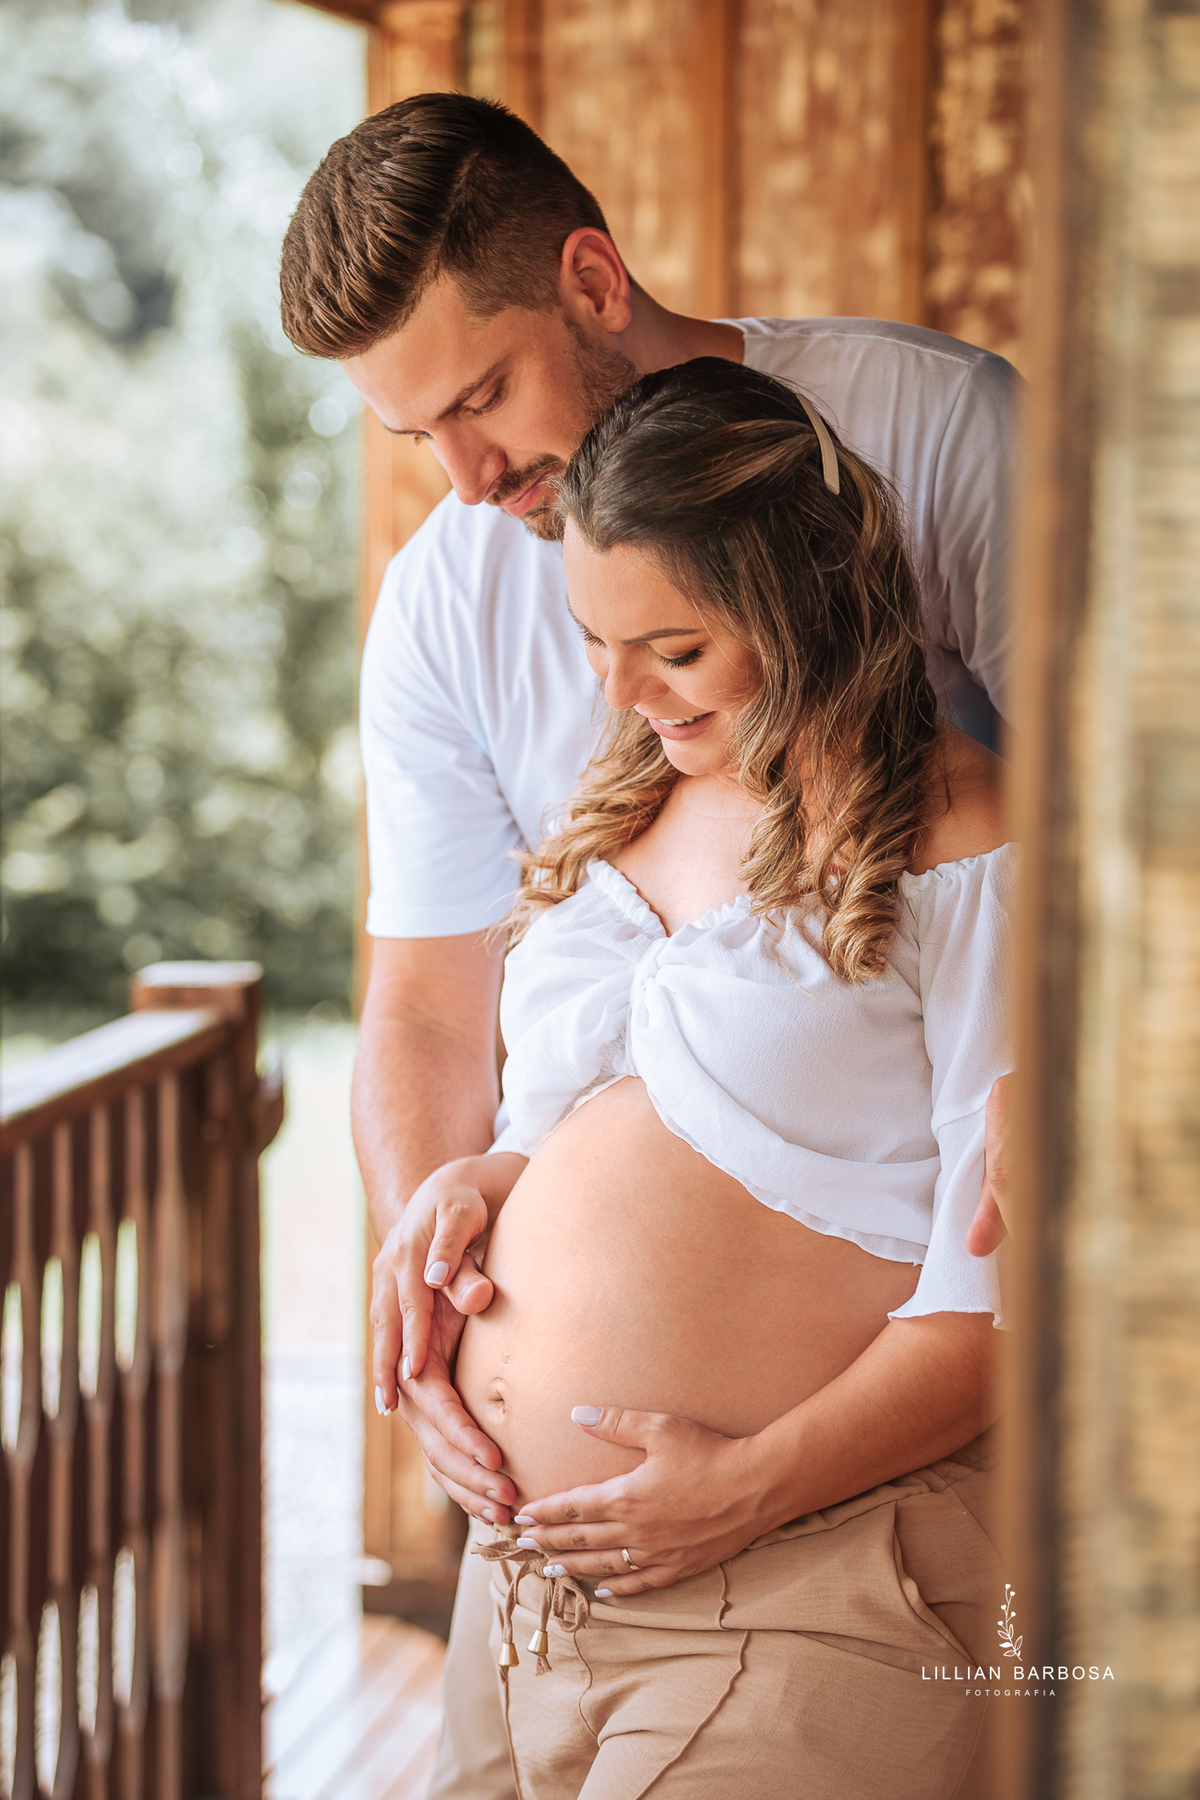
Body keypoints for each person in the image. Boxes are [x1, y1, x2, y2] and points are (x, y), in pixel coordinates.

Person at [279, 92, 1019, 1799]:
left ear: (593, 281)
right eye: (420, 439)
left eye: (480, 397)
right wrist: (446, 1236)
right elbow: (425, 1003)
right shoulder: (458, 595)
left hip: (820, 1551)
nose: (468, 483)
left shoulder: (942, 433)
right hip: (534, 1582)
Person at [402, 359, 1012, 1796]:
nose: (619, 689)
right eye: (597, 641)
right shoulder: (636, 796)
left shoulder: (968, 846)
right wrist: (474, 1190)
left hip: (802, 1588)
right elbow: (627, 1126)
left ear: (801, 602)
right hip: (518, 1609)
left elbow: (1004, 1290)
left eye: (671, 647)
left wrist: (743, 1488)